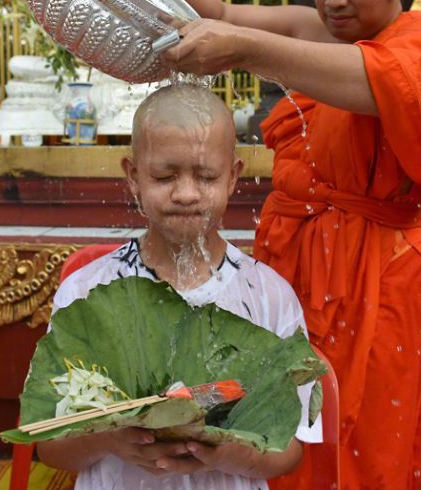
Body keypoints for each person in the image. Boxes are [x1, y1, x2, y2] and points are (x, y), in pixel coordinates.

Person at [138, 0, 421, 489]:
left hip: (378, 274)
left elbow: (377, 83)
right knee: (274, 425)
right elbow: (223, 12)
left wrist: (245, 48)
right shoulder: (314, 30)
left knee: (362, 437)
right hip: (289, 268)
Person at [36, 84, 321, 490]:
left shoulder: (268, 296)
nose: (186, 194)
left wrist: (230, 451)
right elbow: (49, 445)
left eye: (206, 176)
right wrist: (111, 439)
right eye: (164, 176)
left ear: (233, 177)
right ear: (133, 176)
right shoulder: (88, 292)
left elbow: (290, 450)